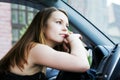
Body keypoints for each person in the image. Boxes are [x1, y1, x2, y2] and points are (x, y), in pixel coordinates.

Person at [0, 7, 90, 80]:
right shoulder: (35, 49)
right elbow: (83, 64)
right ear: (42, 26)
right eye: (59, 22)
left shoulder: (35, 48)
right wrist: (74, 39)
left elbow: (83, 58)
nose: (65, 29)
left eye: (66, 26)